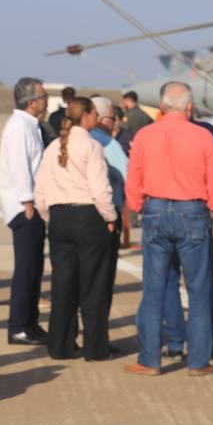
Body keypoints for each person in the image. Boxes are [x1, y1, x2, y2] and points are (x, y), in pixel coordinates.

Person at [124, 81, 213, 376]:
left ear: (163, 107)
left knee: (154, 288)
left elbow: (134, 177)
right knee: (198, 288)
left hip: (155, 210)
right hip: (192, 210)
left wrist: (139, 206)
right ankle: (198, 361)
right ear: (189, 107)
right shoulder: (202, 136)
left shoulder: (144, 135)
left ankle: (149, 359)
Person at [34, 97, 118, 360]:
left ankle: (60, 345)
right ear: (88, 116)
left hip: (59, 218)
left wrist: (50, 216)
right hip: (88, 216)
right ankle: (95, 348)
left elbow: (40, 191)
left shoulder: (53, 147)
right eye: (94, 113)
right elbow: (100, 189)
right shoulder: (91, 146)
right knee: (93, 285)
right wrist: (110, 216)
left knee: (63, 284)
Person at [160, 116, 213, 360]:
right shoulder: (205, 131)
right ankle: (205, 345)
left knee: (167, 279)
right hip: (196, 211)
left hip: (160, 212)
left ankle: (174, 342)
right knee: (201, 283)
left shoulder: (152, 132)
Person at [0, 78, 49, 342]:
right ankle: (18, 326)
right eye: (43, 96)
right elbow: (20, 167)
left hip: (33, 207)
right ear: (31, 102)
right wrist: (28, 203)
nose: (46, 100)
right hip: (24, 209)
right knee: (26, 269)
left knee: (35, 268)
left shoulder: (30, 125)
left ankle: (30, 323)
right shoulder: (19, 127)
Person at [90, 97, 129, 301]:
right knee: (103, 274)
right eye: (114, 118)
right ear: (103, 119)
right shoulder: (109, 144)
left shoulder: (72, 139)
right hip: (107, 215)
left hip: (77, 214)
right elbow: (128, 175)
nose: (116, 123)